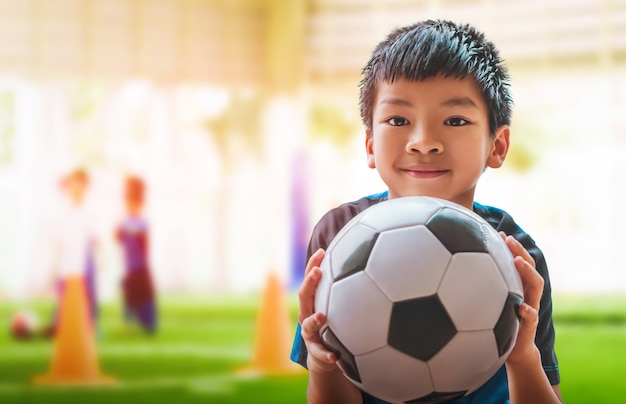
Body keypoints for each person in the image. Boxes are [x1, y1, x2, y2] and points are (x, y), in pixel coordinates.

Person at [291, 20, 563, 403]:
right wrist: (323, 365)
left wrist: (522, 357)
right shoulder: (338, 236)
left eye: (455, 120)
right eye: (398, 120)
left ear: (497, 145)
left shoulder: (516, 253)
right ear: (370, 144)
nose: (423, 142)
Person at [47, 167, 99, 336]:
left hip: (84, 262)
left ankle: (88, 327)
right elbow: (57, 239)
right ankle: (60, 324)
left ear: (85, 186)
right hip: (67, 262)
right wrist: (54, 265)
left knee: (86, 298)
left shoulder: (91, 210)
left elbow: (95, 238)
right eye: (73, 184)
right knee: (65, 298)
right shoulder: (63, 210)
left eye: (80, 184)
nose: (76, 188)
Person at [116, 175, 157, 333]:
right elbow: (118, 237)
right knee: (129, 294)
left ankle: (148, 322)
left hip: (139, 267)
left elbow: (145, 244)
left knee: (143, 294)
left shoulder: (141, 222)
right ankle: (130, 322)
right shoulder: (125, 221)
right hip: (130, 267)